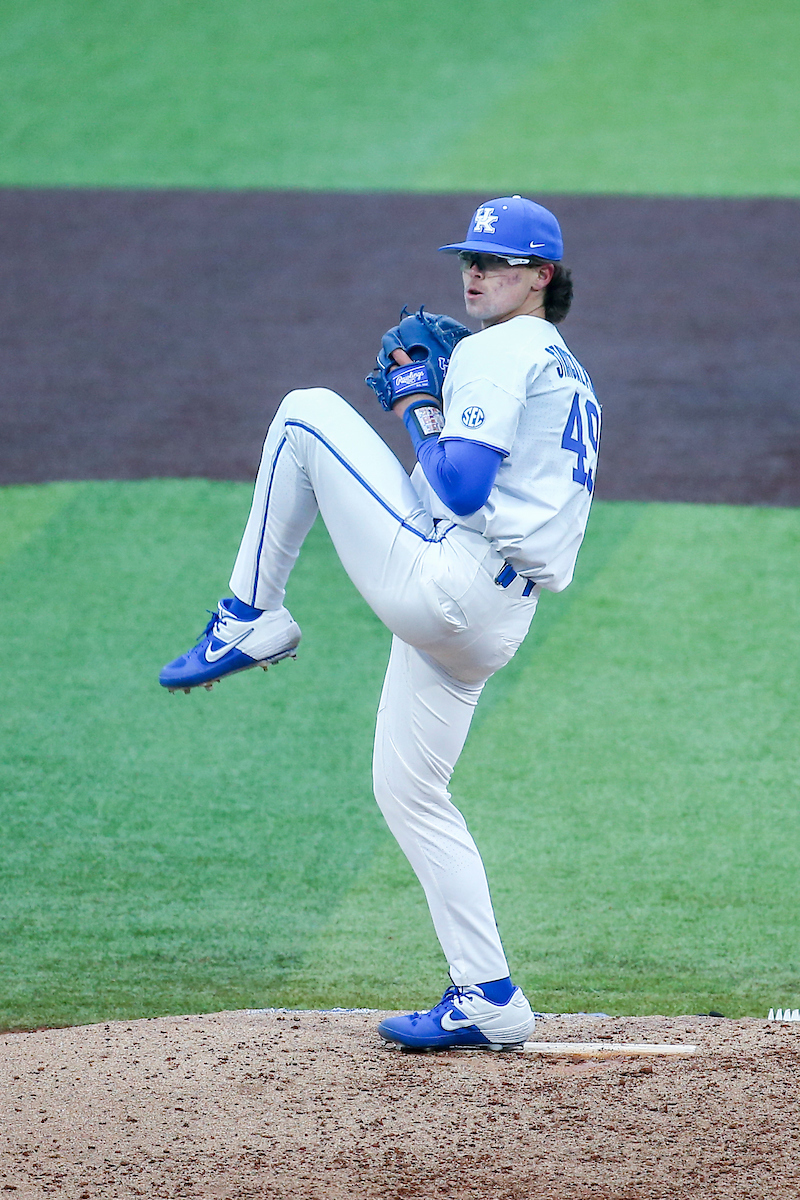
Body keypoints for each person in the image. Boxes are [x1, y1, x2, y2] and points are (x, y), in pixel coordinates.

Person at [159, 195, 601, 1051]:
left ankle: (249, 615)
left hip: (451, 588)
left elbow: (463, 487)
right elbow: (456, 494)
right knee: (411, 793)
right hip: (492, 615)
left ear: (540, 276)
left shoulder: (502, 351)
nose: (474, 273)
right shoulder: (562, 367)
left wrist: (413, 401)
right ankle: (490, 997)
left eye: (495, 262)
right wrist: (434, 407)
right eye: (468, 258)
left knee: (303, 414)